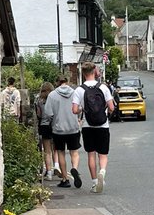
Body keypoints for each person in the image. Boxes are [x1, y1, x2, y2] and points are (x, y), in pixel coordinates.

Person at [73, 62, 114, 193]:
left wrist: (83, 108)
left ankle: (95, 182)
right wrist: (104, 110)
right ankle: (102, 171)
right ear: (94, 71)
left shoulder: (79, 90)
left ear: (83, 73)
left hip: (87, 125)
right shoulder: (104, 88)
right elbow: (112, 107)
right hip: (103, 125)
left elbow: (74, 110)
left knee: (91, 154)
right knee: (103, 154)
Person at [43, 75, 83, 188]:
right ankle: (74, 168)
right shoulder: (75, 93)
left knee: (61, 152)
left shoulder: (52, 95)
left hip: (58, 129)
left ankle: (65, 179)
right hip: (73, 128)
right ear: (67, 81)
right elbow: (79, 109)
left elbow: (48, 113)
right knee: (74, 152)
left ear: (57, 82)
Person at [35, 82, 55, 179]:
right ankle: (57, 168)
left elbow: (38, 114)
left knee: (47, 151)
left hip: (43, 125)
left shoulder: (39, 100)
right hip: (54, 125)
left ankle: (49, 172)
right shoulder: (54, 99)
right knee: (55, 149)